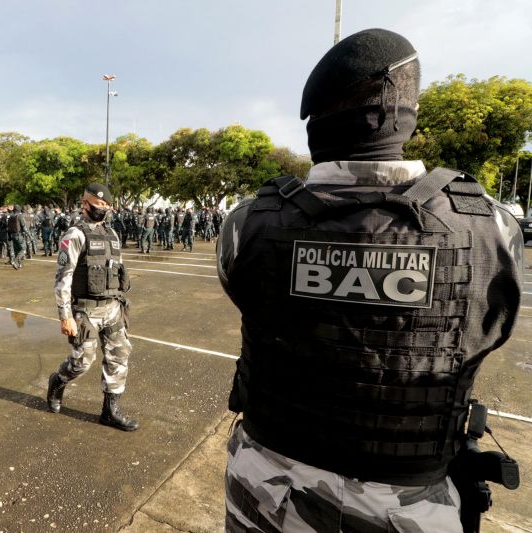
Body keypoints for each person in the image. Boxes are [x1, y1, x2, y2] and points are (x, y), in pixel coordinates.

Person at [217, 29, 523, 532]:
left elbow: (246, 294)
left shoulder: (249, 222)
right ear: (407, 116)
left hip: (267, 491)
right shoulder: (490, 227)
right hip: (410, 507)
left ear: (316, 124)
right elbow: (492, 328)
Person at [46, 183, 138, 431]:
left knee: (119, 356)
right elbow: (63, 278)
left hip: (112, 308)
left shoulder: (113, 234)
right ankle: (58, 381)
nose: (103, 209)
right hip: (85, 311)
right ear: (85, 204)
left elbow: (117, 270)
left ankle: (110, 411)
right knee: (82, 362)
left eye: (107, 205)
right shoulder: (74, 235)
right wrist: (66, 316)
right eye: (99, 205)